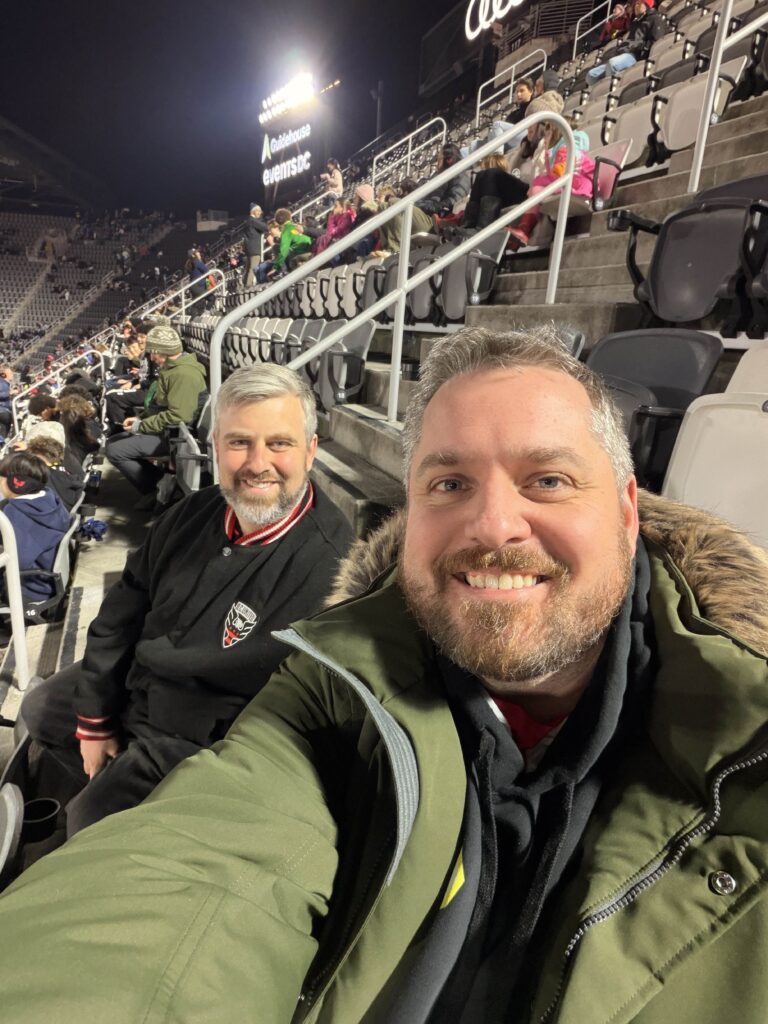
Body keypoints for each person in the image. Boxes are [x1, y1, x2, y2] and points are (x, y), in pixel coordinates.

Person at [0, 327, 765, 1022]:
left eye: (548, 480)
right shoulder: (339, 678)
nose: (494, 524)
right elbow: (203, 867)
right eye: (449, 484)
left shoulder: (748, 747)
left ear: (629, 512)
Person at [19, 363, 353, 839]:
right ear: (216, 448)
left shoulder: (331, 567)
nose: (258, 463)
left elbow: (271, 717)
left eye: (279, 443)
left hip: (199, 738)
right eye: (239, 442)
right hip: (142, 682)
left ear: (311, 451)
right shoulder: (195, 511)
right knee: (40, 709)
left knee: (87, 818)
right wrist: (96, 719)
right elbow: (121, 613)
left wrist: (138, 742)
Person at [105, 323, 206, 496]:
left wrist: (141, 426)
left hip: (175, 437)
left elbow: (179, 415)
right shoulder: (172, 370)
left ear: (165, 351)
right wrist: (140, 419)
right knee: (112, 442)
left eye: (154, 352)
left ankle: (158, 490)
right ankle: (161, 483)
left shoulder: (183, 374)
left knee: (115, 451)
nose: (151, 358)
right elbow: (159, 406)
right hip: (166, 431)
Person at [507, 116, 594, 248]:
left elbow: (561, 172)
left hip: (576, 184)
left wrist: (540, 182)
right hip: (567, 182)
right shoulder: (557, 150)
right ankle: (520, 234)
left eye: (548, 135)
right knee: (536, 188)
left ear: (557, 134)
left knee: (536, 189)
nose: (545, 138)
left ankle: (524, 230)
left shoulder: (566, 149)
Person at [0, 451, 70, 605]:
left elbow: (19, 560)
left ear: (16, 482)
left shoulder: (16, 512)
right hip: (48, 580)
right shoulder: (49, 496)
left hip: (31, 588)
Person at [586, 0, 665, 85]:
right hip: (625, 52)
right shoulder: (635, 22)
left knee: (612, 64)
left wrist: (639, 48)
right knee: (591, 75)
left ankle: (610, 91)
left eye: (639, 3)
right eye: (635, 4)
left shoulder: (654, 18)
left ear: (647, 5)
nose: (636, 6)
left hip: (636, 55)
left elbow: (657, 42)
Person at [418, 143, 472, 218]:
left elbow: (453, 201)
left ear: (447, 159)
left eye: (439, 159)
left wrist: (427, 206)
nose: (437, 161)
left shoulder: (461, 176)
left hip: (436, 217)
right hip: (426, 211)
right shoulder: (438, 176)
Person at [270, 208, 312, 275]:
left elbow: (283, 251)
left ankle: (283, 272)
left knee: (276, 247)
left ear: (278, 221)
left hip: (299, 253)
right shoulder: (297, 226)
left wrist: (276, 267)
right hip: (311, 249)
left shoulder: (286, 230)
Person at [243, 203, 268, 288]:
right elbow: (265, 227)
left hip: (249, 248)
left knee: (248, 267)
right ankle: (248, 286)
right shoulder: (253, 220)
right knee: (253, 268)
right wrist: (260, 219)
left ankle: (245, 284)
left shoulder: (248, 220)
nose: (260, 213)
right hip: (255, 248)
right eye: (259, 211)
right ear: (254, 211)